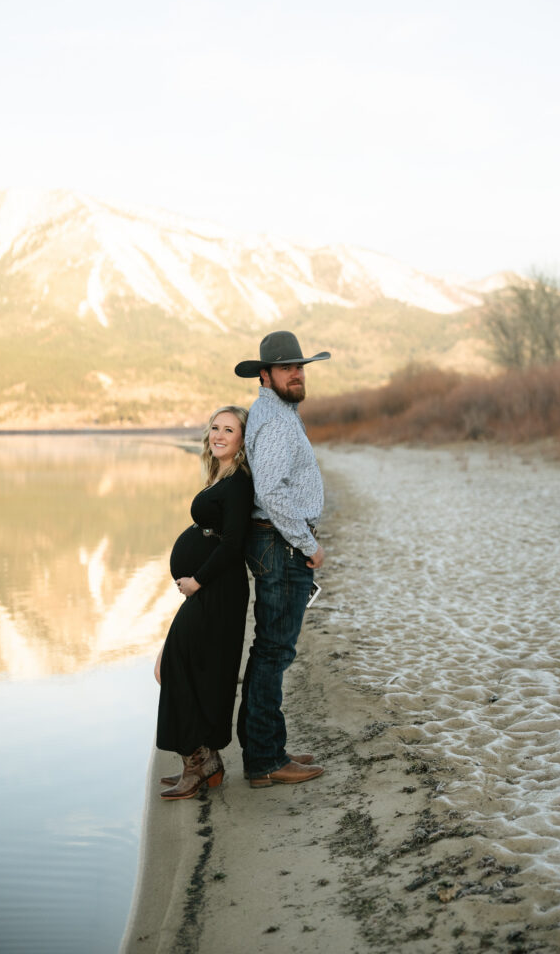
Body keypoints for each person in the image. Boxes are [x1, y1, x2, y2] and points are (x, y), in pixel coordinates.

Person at [234, 331, 330, 788]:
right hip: (281, 543)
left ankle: (264, 748)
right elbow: (271, 492)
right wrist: (308, 544)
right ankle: (266, 760)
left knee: (269, 650)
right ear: (266, 376)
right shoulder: (274, 420)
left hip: (278, 542)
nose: (298, 373)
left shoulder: (279, 413)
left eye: (301, 366)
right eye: (288, 367)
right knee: (274, 651)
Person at [155, 405, 253, 800]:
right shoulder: (222, 478)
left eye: (229, 429)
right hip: (210, 590)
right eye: (215, 427)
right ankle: (201, 760)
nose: (219, 435)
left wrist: (197, 579)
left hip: (219, 592)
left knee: (183, 668)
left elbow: (232, 544)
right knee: (177, 667)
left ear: (243, 439)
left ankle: (199, 764)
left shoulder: (240, 483)